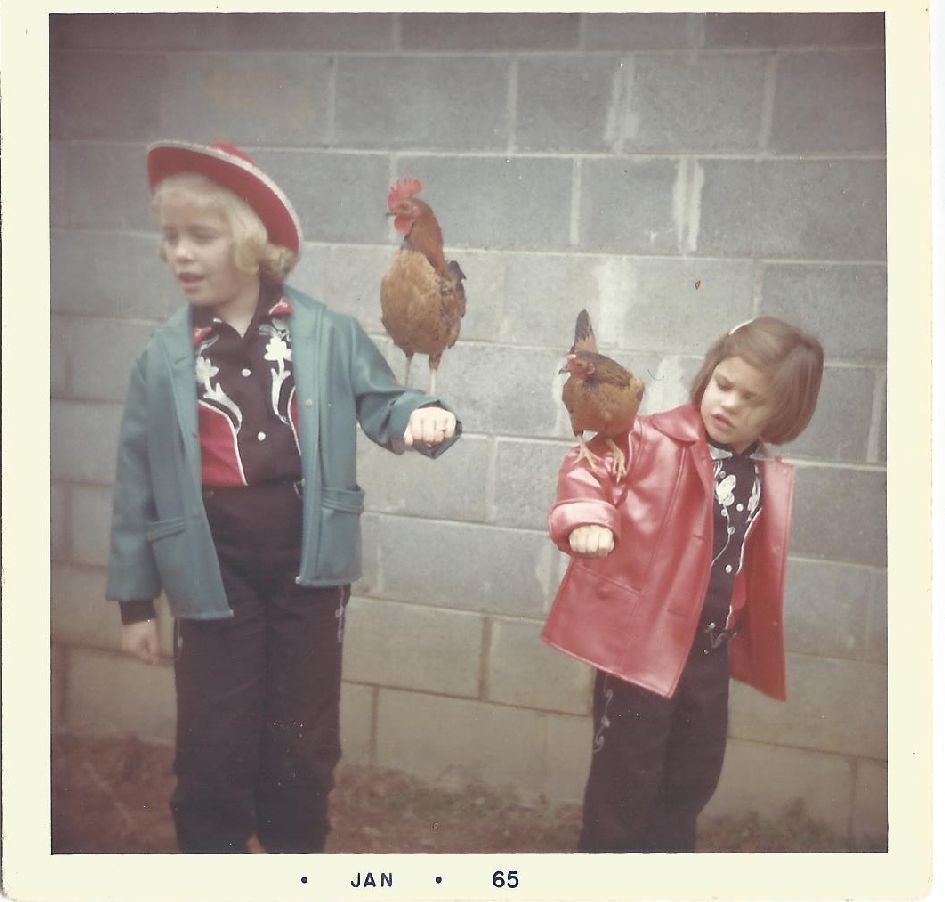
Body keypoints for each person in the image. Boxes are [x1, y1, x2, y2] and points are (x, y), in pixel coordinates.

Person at [106, 140, 460, 853]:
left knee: (301, 735)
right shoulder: (162, 357)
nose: (179, 253)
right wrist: (136, 603)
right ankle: (214, 859)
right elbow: (136, 480)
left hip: (308, 562)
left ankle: (294, 856)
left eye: (201, 236)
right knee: (215, 735)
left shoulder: (326, 333)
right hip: (212, 568)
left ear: (249, 243)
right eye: (170, 237)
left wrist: (421, 416)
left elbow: (382, 400)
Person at [542, 317, 823, 852]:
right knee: (625, 778)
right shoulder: (653, 438)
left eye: (751, 399)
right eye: (723, 385)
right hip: (641, 651)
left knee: (694, 772)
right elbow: (589, 464)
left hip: (708, 654)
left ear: (782, 412)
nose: (729, 404)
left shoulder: (760, 471)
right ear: (708, 376)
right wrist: (588, 517)